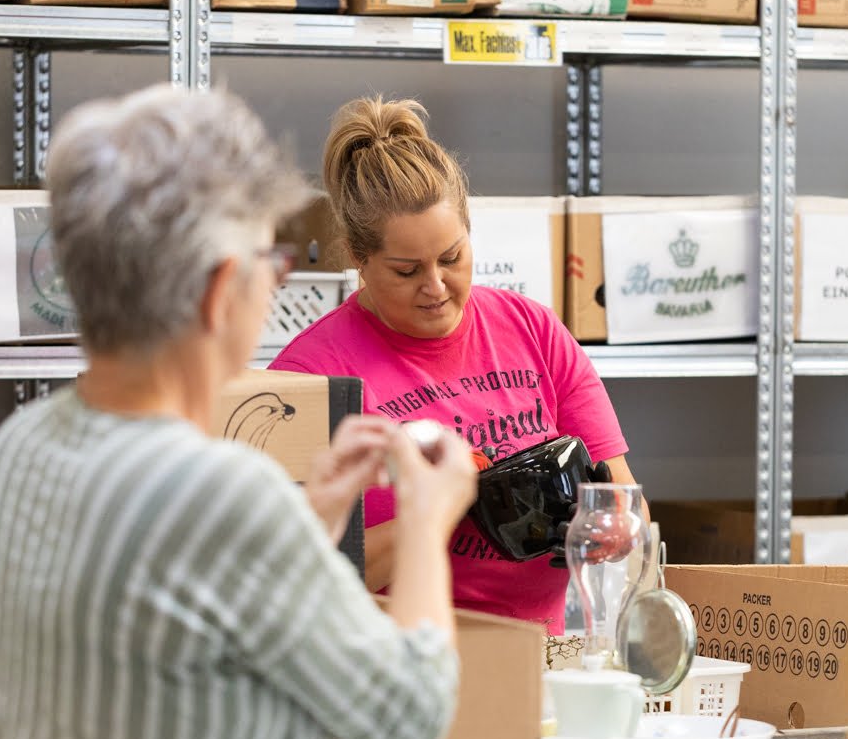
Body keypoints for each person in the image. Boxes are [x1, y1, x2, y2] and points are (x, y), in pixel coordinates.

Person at [0, 84, 480, 739]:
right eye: (270, 269)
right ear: (217, 296)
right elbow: (405, 715)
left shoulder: (17, 453)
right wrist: (425, 523)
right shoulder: (221, 494)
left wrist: (310, 522)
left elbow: (168, 648)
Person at [270, 97, 639, 635]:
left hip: (541, 653)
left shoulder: (532, 329)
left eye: (452, 257)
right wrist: (444, 508)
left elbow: (627, 500)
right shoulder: (309, 379)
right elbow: (296, 576)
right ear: (356, 257)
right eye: (406, 270)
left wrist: (608, 528)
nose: (436, 288)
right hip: (397, 662)